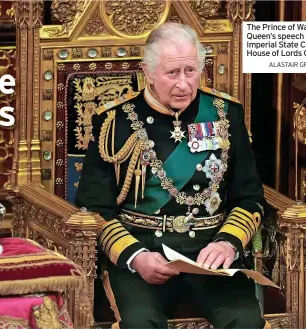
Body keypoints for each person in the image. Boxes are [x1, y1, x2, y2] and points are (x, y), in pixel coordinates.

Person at [75, 22, 268, 329]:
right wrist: (136, 256)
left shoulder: (225, 114)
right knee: (140, 323)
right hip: (143, 254)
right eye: (172, 73)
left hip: (210, 257)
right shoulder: (114, 121)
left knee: (245, 321)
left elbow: (249, 196)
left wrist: (228, 243)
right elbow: (94, 207)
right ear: (148, 72)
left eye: (190, 71)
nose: (183, 84)